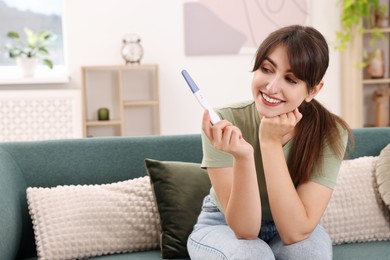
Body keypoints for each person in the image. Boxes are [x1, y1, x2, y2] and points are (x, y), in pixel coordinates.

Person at [186, 25, 353, 260]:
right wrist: (243, 157)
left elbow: (294, 232)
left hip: (288, 223)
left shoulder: (330, 132)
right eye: (266, 69)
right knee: (253, 255)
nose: (272, 87)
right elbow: (245, 231)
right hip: (222, 224)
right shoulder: (224, 122)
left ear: (313, 90)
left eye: (291, 79)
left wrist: (270, 142)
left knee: (310, 254)